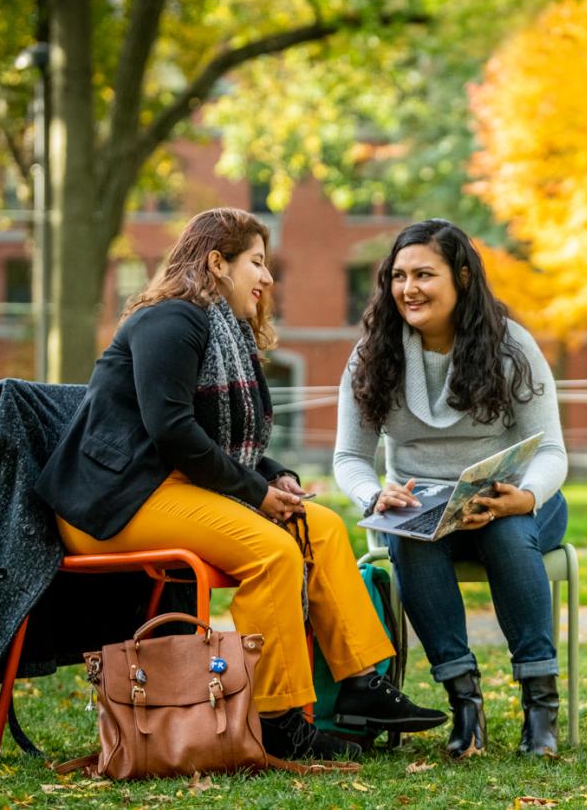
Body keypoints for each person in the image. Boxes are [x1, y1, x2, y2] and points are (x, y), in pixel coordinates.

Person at [35, 208, 445, 762]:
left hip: (171, 487)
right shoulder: (170, 320)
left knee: (318, 527)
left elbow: (220, 438)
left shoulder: (221, 329)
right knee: (273, 552)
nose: (268, 278)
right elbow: (171, 429)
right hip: (113, 503)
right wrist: (254, 492)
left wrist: (273, 475)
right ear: (215, 263)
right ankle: (278, 721)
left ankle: (359, 685)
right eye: (256, 262)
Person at [334, 218, 568, 758]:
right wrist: (374, 497)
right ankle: (465, 702)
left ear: (462, 276)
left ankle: (541, 705)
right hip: (424, 511)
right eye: (398, 275)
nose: (408, 288)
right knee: (410, 535)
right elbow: (350, 457)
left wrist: (526, 496)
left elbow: (551, 450)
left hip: (512, 501)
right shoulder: (373, 354)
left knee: (508, 533)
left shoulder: (512, 346)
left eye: (423, 274)